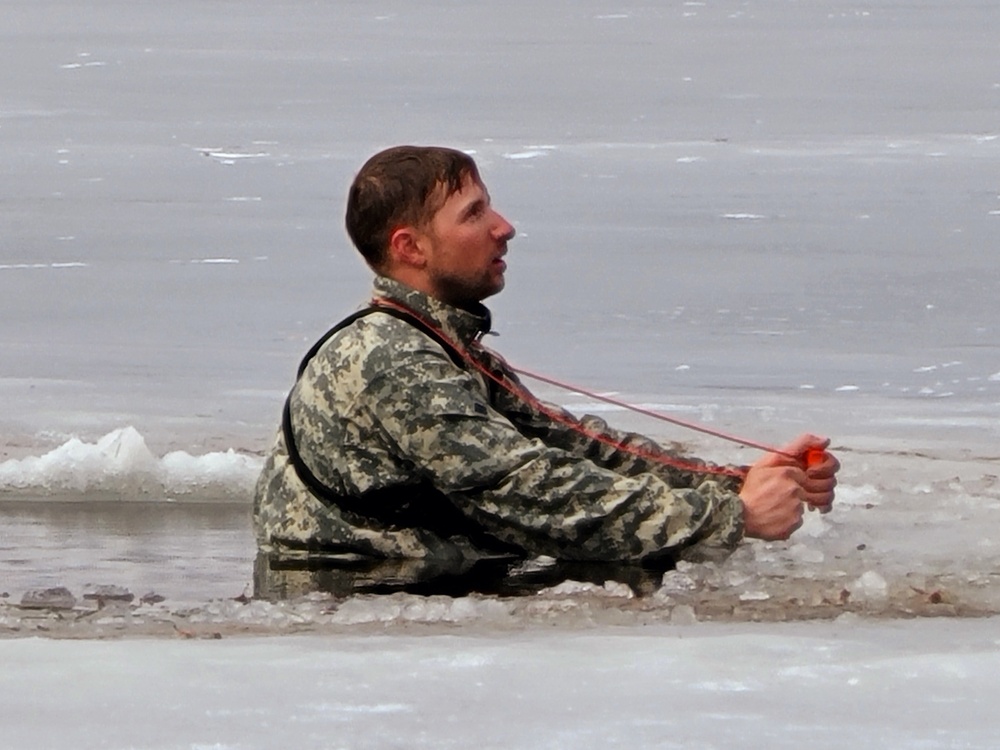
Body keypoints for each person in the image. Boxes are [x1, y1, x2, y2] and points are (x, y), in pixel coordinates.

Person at [252, 145, 839, 597]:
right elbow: (531, 491)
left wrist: (737, 479)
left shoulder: (438, 343)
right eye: (473, 214)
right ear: (411, 248)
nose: (503, 226)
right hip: (355, 601)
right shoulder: (392, 359)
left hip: (432, 584)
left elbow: (574, 446)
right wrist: (731, 517)